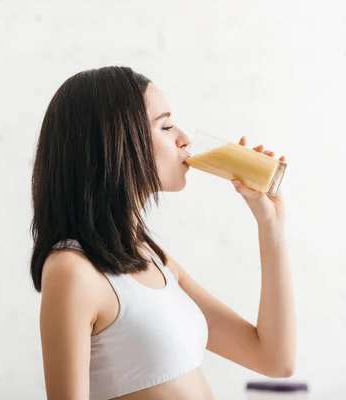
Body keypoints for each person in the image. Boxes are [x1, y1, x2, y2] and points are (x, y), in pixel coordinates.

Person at [29, 66, 295, 400]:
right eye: (166, 125)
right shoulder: (73, 271)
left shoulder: (153, 259)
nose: (184, 137)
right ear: (115, 142)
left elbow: (274, 360)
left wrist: (270, 225)